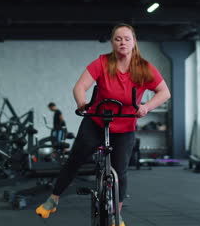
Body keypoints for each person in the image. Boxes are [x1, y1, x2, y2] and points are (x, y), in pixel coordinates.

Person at [36, 23, 171, 226]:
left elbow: (164, 92)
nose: (122, 42)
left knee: (121, 170)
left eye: (127, 38)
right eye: (118, 39)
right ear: (112, 42)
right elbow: (80, 87)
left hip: (125, 124)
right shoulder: (102, 63)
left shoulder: (143, 67)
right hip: (97, 119)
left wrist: (147, 107)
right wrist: (82, 102)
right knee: (75, 159)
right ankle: (53, 199)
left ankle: (118, 214)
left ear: (134, 42)